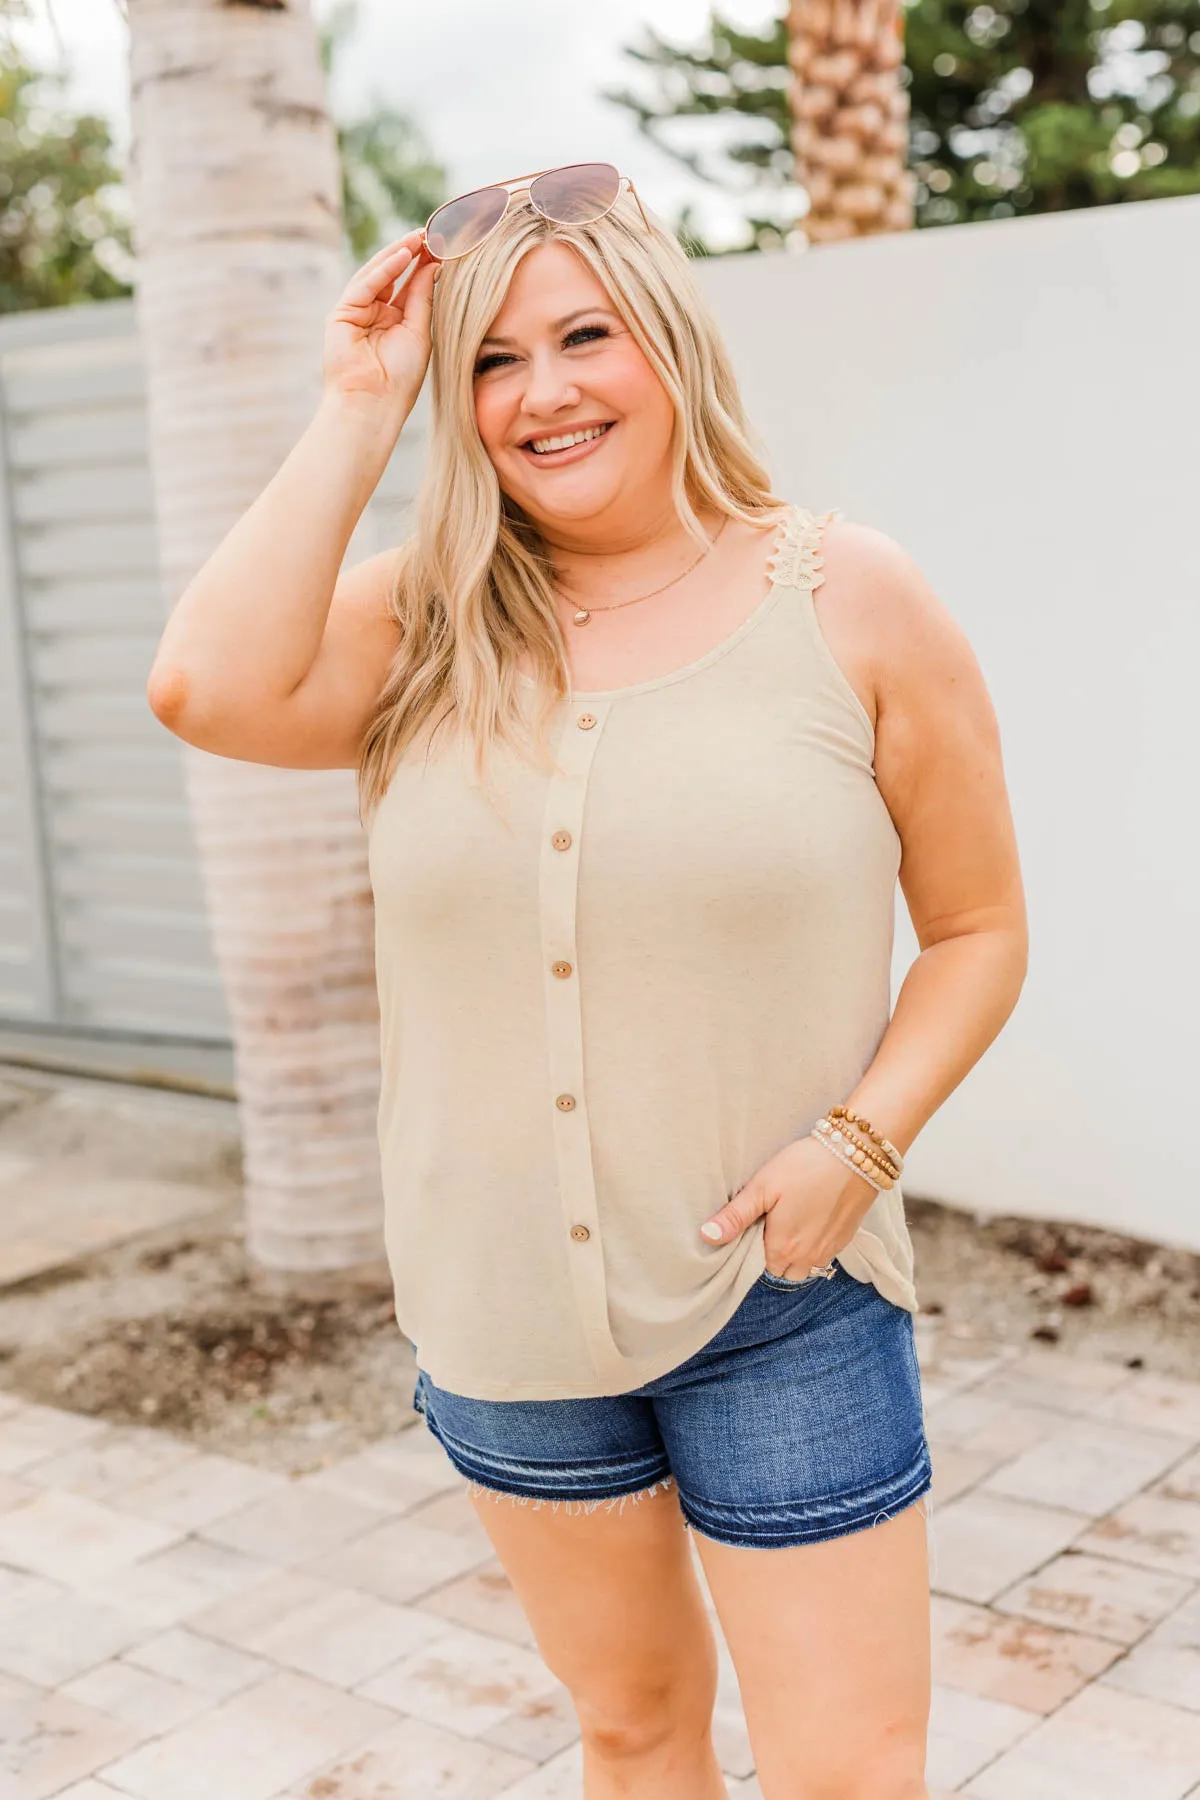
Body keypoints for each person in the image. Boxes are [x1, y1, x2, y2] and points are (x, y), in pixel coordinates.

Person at [148, 163, 1027, 1800]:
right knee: (629, 1733)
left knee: (849, 1772)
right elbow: (202, 684)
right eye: (490, 359)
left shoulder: (851, 597)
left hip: (781, 1304)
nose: (542, 392)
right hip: (500, 1315)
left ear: (667, 342)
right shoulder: (426, 625)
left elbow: (979, 931)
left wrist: (860, 1143)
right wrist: (358, 401)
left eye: (583, 336)